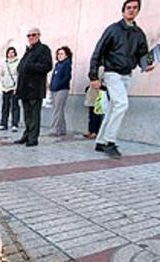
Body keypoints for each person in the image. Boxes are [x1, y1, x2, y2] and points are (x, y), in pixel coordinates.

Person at [89, 0, 155, 159]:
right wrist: (93, 76)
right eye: (128, 8)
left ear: (138, 11)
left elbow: (142, 55)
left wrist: (146, 65)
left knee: (113, 107)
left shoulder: (139, 33)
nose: (131, 10)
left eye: (135, 8)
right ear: (123, 10)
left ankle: (100, 141)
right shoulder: (113, 29)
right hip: (112, 72)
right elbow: (98, 51)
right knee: (122, 104)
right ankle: (110, 142)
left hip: (127, 74)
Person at [14, 27, 53, 147]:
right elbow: (21, 67)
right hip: (24, 88)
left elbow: (47, 66)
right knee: (27, 114)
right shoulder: (28, 50)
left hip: (35, 88)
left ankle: (33, 138)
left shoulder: (43, 49)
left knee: (34, 114)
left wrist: (30, 66)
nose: (31, 37)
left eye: (33, 35)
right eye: (29, 35)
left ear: (39, 36)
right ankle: (27, 135)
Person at [49, 46, 73, 137]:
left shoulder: (66, 64)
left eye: (62, 53)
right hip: (54, 89)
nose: (59, 55)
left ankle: (55, 129)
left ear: (66, 55)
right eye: (58, 54)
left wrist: (58, 85)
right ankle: (62, 129)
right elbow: (54, 76)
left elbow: (67, 77)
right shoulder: (57, 64)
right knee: (59, 110)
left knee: (57, 110)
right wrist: (51, 85)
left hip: (62, 89)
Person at [0, 47, 20, 132]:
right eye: (9, 52)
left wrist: (16, 87)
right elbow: (0, 74)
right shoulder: (4, 63)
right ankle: (3, 123)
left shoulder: (18, 63)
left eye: (12, 52)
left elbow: (19, 76)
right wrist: (2, 81)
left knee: (14, 106)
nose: (11, 54)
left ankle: (14, 124)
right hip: (5, 88)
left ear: (15, 53)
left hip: (14, 88)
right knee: (5, 107)